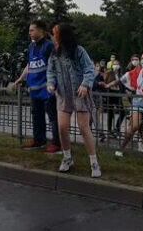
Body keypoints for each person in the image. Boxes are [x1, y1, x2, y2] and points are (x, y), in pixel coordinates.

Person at [46, 24, 101, 178]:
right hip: (63, 94)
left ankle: (94, 161)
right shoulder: (54, 53)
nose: (52, 35)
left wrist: (85, 84)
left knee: (84, 128)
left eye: (55, 33)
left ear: (63, 35)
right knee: (62, 127)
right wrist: (51, 84)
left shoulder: (78, 51)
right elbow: (50, 71)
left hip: (80, 93)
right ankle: (67, 157)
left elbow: (90, 69)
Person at [14, 20, 60, 153]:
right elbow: (30, 65)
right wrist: (20, 78)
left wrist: (55, 85)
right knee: (36, 115)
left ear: (41, 31)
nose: (29, 33)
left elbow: (56, 66)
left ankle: (57, 143)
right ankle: (39, 140)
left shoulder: (49, 46)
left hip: (48, 89)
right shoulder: (31, 47)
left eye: (32, 30)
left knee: (53, 116)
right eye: (29, 30)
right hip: (34, 89)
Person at [103, 59, 126, 138]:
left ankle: (117, 127)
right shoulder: (109, 73)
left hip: (118, 94)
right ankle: (109, 131)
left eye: (117, 64)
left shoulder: (120, 74)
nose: (116, 66)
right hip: (110, 94)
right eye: (114, 64)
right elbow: (105, 83)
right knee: (110, 113)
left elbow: (123, 84)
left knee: (122, 112)